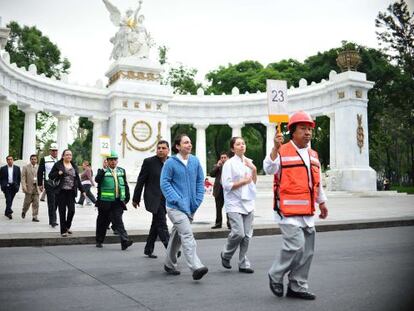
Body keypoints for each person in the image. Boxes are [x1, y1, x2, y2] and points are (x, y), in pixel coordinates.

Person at [263, 111, 328, 300]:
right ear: (292, 131)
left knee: (307, 252)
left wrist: (322, 202)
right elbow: (268, 168)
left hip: (307, 212)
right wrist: (275, 148)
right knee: (296, 246)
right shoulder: (282, 150)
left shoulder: (314, 155)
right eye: (303, 129)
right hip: (287, 211)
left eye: (309, 129)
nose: (307, 132)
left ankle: (297, 286)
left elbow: (317, 182)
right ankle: (275, 274)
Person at [160, 134, 208, 281]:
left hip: (191, 207)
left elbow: (200, 181)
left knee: (176, 236)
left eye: (190, 142)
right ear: (178, 146)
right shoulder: (170, 163)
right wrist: (177, 199)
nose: (189, 145)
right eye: (186, 142)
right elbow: (165, 183)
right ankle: (196, 266)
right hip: (175, 207)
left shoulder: (195, 161)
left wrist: (197, 200)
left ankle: (169, 263)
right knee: (187, 235)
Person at [220, 137, 257, 274]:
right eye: (238, 144)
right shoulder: (228, 164)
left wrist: (254, 169)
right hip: (234, 203)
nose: (242, 146)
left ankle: (243, 263)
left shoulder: (249, 162)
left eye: (243, 143)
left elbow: (253, 182)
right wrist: (243, 182)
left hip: (248, 202)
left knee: (247, 236)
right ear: (232, 148)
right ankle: (226, 254)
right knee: (238, 233)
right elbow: (227, 185)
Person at [133, 140, 171, 258]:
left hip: (167, 198)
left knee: (156, 223)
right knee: (161, 222)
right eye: (158, 148)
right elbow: (141, 180)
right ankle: (171, 249)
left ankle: (148, 249)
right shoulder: (149, 162)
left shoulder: (172, 162)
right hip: (153, 197)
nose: (160, 150)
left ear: (168, 150)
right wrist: (136, 198)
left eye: (163, 148)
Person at [95, 151, 133, 250]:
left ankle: (124, 241)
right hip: (105, 202)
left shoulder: (121, 171)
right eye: (111, 160)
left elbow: (125, 184)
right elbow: (97, 180)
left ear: (117, 161)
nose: (113, 162)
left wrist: (126, 198)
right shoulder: (102, 171)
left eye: (115, 159)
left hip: (117, 201)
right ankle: (99, 240)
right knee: (102, 222)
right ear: (107, 161)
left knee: (118, 221)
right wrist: (103, 169)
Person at [49, 149, 85, 237]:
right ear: (63, 156)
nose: (69, 156)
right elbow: (50, 176)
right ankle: (63, 231)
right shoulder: (58, 164)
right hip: (61, 192)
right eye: (67, 155)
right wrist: (58, 173)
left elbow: (77, 179)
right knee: (62, 211)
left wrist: (82, 190)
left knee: (72, 211)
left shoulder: (74, 165)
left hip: (71, 192)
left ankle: (67, 227)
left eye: (70, 155)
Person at [37, 143, 59, 227]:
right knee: (51, 202)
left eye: (56, 150)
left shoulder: (59, 160)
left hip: (58, 184)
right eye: (53, 150)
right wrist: (40, 184)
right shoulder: (44, 159)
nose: (54, 152)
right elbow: (40, 172)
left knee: (56, 202)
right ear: (50, 151)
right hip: (48, 183)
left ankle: (53, 219)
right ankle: (52, 220)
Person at [210, 152, 230, 229]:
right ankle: (218, 223)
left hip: (228, 190)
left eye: (225, 157)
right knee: (218, 208)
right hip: (219, 190)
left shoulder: (231, 166)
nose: (223, 159)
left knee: (229, 208)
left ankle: (230, 223)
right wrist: (217, 166)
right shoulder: (218, 166)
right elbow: (212, 174)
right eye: (222, 158)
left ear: (228, 158)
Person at [0, 155, 21, 219]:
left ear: (13, 160)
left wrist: (18, 186)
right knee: (8, 199)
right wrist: (3, 185)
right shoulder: (3, 168)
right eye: (8, 159)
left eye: (11, 159)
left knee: (10, 200)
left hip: (14, 186)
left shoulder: (17, 168)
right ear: (6, 161)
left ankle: (7, 211)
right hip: (6, 186)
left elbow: (18, 178)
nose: (10, 161)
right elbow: (1, 178)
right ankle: (9, 212)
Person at [21, 154, 40, 222]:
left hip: (36, 188)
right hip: (28, 188)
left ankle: (35, 216)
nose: (33, 160)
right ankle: (24, 211)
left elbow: (41, 178)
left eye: (35, 159)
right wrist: (24, 186)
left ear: (37, 160)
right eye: (32, 159)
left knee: (36, 203)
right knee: (27, 203)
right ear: (30, 160)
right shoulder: (25, 167)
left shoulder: (39, 167)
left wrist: (42, 186)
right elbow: (23, 178)